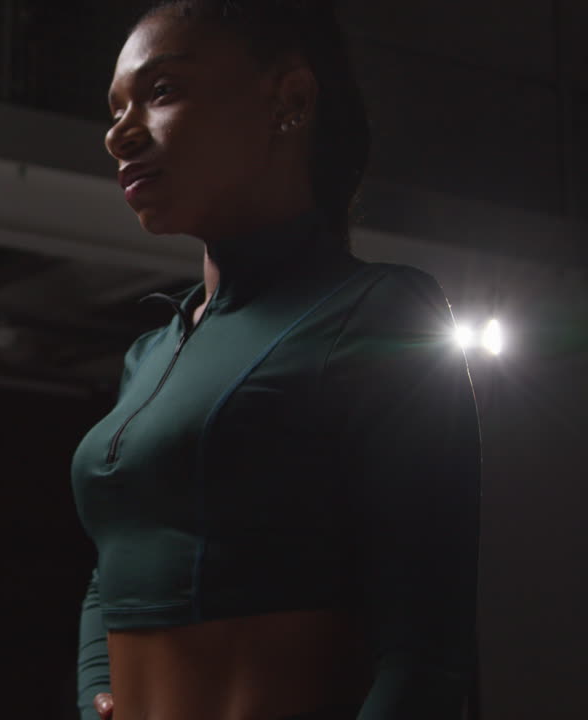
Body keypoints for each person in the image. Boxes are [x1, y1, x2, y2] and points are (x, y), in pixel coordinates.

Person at [69, 2, 481, 719]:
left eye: (162, 92)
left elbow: (426, 650)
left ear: (288, 100)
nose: (120, 134)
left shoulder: (380, 313)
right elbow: (112, 569)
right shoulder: (150, 354)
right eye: (116, 108)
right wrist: (93, 692)